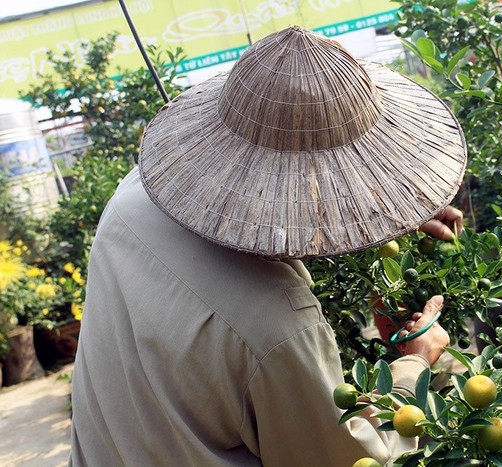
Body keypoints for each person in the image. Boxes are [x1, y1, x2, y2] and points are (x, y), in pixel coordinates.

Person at [69, 26, 468, 466]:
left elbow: (264, 212)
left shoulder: (137, 194)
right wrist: (414, 367)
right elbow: (347, 457)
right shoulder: (278, 330)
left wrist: (382, 210)